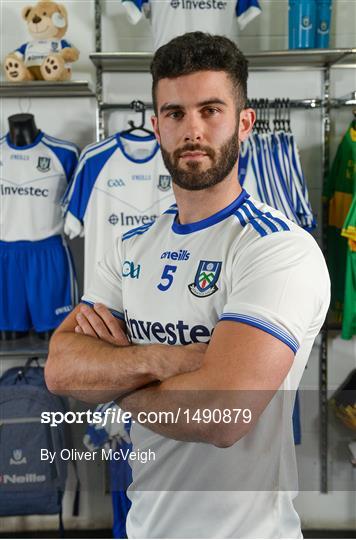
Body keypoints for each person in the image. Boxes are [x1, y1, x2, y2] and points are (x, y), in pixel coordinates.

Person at [46, 32, 330, 538]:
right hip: (145, 528)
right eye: (175, 114)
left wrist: (115, 385)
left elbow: (223, 415)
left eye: (211, 110)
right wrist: (166, 361)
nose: (192, 129)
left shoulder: (278, 249)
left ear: (245, 122)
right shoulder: (130, 245)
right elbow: (63, 370)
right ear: (157, 127)